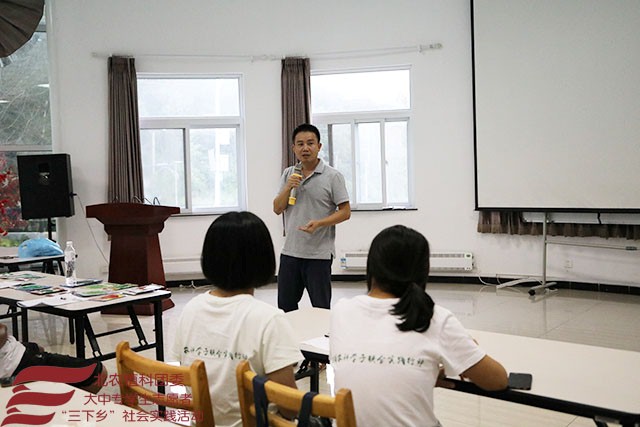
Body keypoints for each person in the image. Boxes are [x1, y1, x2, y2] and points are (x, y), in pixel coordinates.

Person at [330, 225, 508, 427]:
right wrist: (466, 353)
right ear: (423, 271)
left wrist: (423, 373)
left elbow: (372, 373)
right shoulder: (434, 318)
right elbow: (498, 381)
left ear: (371, 266)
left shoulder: (341, 311)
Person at [169, 211, 302, 427]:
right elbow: (290, 406)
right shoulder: (269, 319)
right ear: (263, 259)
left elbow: (181, 380)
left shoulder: (191, 309)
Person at [273, 123, 351, 312]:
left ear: (319, 146)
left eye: (310, 143)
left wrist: (320, 223)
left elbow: (345, 211)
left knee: (320, 308)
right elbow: (277, 208)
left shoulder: (333, 176)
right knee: (285, 306)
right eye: (300, 144)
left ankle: (321, 333)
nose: (305, 148)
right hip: (290, 252)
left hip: (319, 255)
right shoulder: (289, 174)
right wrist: (288, 187)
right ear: (293, 148)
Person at [0, 323, 107, 393]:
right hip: (12, 363)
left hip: (14, 349)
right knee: (98, 372)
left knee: (39, 348)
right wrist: (3, 328)